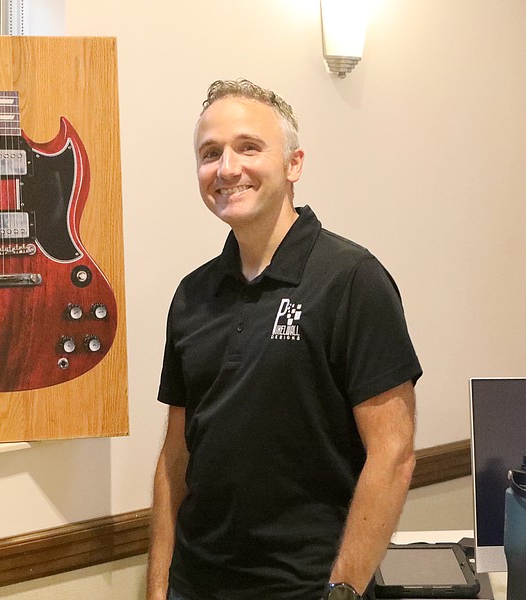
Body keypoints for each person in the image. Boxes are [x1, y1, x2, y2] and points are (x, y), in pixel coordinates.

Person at [146, 79, 421, 600]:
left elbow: (394, 453)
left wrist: (342, 591)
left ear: (294, 164)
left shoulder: (351, 280)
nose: (227, 168)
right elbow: (175, 457)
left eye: (249, 147)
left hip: (308, 588)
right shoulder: (192, 295)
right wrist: (158, 589)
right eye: (210, 153)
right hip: (195, 586)